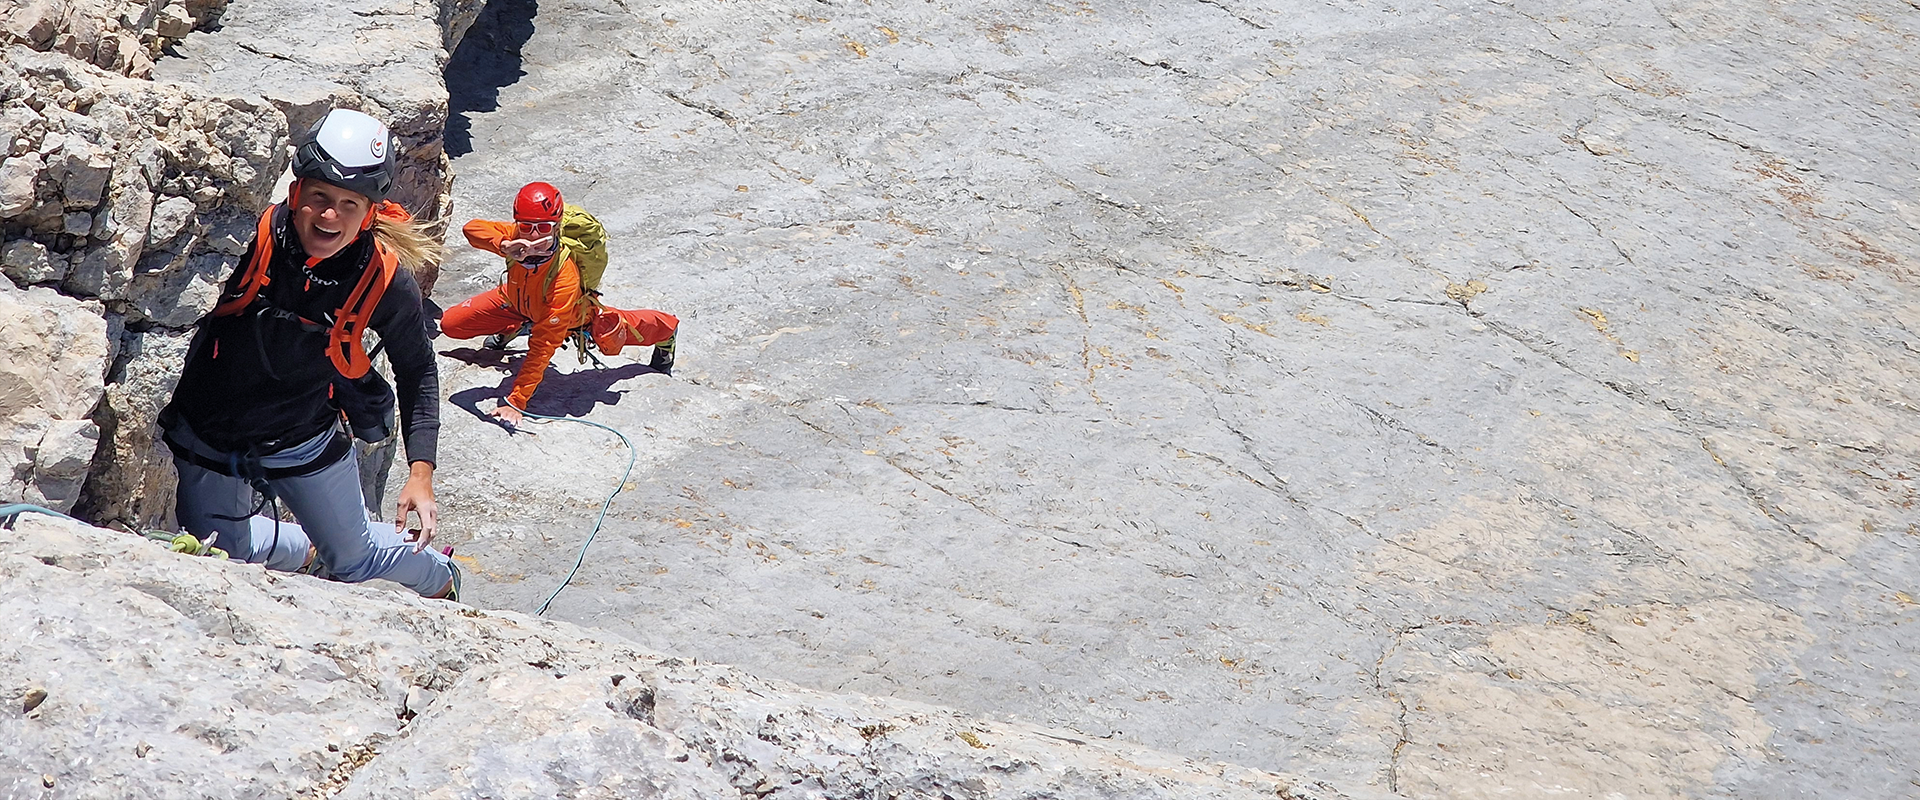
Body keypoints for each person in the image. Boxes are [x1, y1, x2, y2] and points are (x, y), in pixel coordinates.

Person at [157, 108, 459, 600]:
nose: (329, 215)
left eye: (348, 203)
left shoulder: (381, 279)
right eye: (319, 196)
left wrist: (420, 473)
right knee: (223, 553)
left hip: (303, 438)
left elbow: (418, 370)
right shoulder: (246, 241)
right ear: (295, 193)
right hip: (209, 435)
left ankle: (440, 577)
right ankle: (309, 547)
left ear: (369, 214)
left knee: (355, 560)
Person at [441, 181, 678, 429]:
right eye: (526, 227)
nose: (534, 236)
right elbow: (471, 228)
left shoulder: (564, 277)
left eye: (543, 227)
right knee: (452, 324)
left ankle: (666, 330)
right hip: (516, 300)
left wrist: (516, 401)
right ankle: (520, 324)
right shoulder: (514, 237)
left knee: (612, 329)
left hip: (569, 316)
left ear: (557, 227)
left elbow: (543, 345)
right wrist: (503, 246)